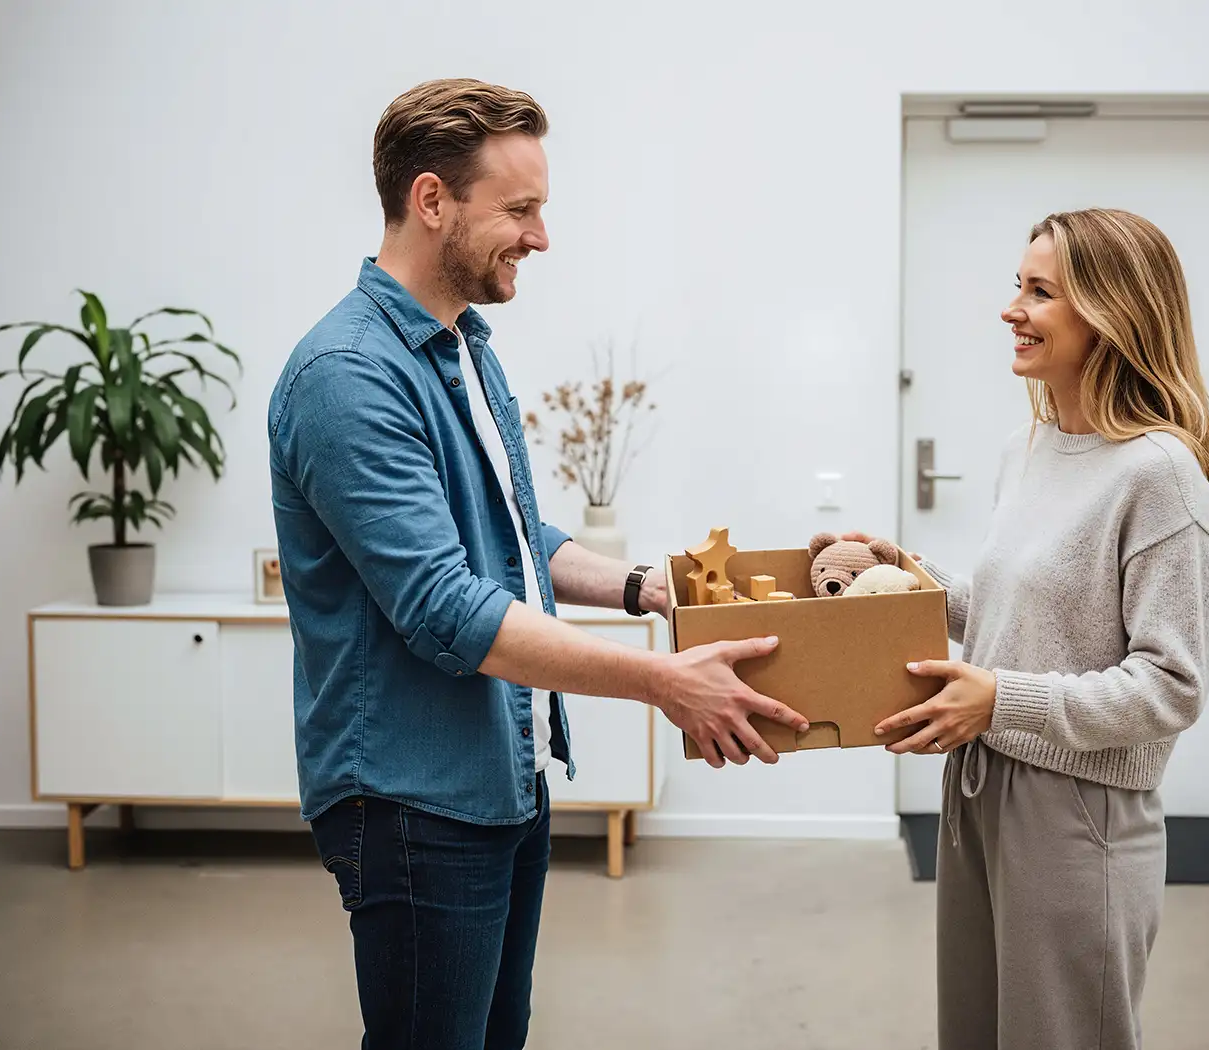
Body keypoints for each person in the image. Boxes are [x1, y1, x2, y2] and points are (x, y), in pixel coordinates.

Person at [267, 78, 808, 1050]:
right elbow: (445, 606)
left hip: (502, 779)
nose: (542, 237)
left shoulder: (463, 347)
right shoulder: (346, 376)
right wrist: (662, 683)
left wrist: (650, 590)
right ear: (432, 201)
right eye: (521, 210)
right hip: (411, 800)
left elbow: (513, 534)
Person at [858, 208, 1209, 1049]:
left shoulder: (1160, 475)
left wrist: (1001, 702)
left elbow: (1172, 686)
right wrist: (905, 574)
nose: (1011, 309)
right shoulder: (1029, 447)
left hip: (1078, 813)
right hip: (982, 789)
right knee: (979, 1033)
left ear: (1110, 312)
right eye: (1016, 286)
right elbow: (1012, 612)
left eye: (1039, 291)